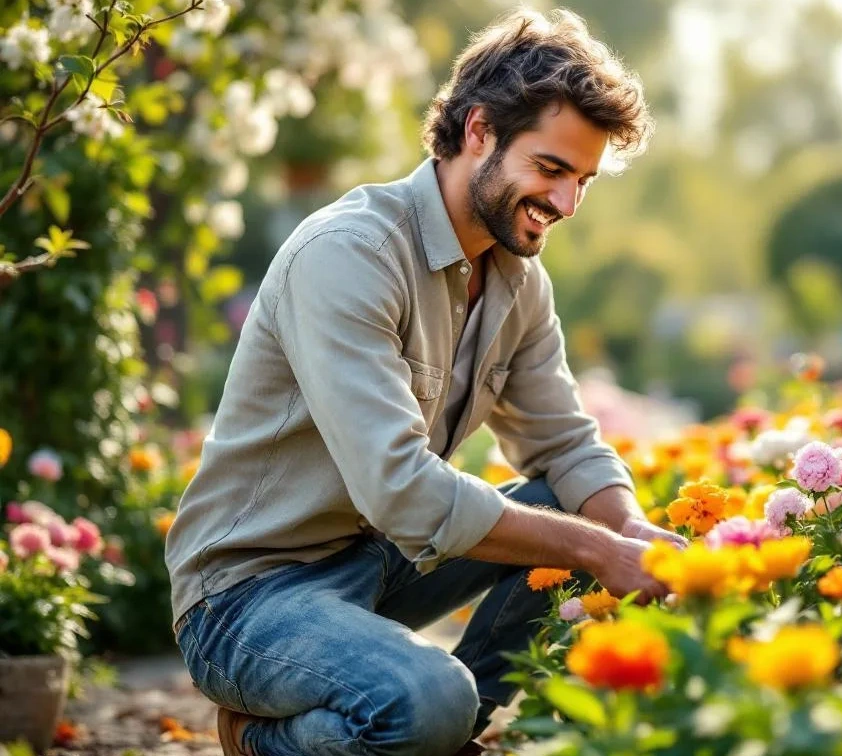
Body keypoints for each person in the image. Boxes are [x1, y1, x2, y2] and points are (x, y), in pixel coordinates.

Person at [163, 9, 683, 756]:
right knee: (433, 690)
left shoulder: (517, 279)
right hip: (249, 597)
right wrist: (597, 553)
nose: (567, 204)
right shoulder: (350, 254)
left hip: (376, 564)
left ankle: (448, 736)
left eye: (584, 180)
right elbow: (400, 487)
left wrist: (628, 531)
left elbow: (565, 444)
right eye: (551, 169)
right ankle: (266, 739)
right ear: (479, 132)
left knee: (577, 513)